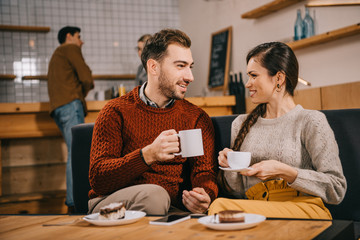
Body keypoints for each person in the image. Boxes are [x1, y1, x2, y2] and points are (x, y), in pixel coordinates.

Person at [209, 42, 346, 219]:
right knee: (220, 208)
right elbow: (237, 191)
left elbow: (336, 188)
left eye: (253, 75)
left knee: (220, 208)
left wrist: (285, 172)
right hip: (256, 207)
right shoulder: (241, 123)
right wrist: (231, 168)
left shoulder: (311, 121)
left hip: (303, 209)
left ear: (279, 78)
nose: (247, 83)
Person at [88, 29, 218, 215]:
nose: (190, 77)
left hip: (168, 209)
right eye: (180, 66)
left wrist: (204, 194)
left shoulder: (195, 117)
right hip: (110, 203)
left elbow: (203, 172)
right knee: (155, 196)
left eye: (190, 67)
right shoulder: (116, 111)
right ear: (153, 67)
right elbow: (99, 179)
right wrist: (148, 155)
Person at [47, 26, 94, 213]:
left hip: (58, 108)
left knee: (74, 153)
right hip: (70, 105)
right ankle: (75, 203)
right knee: (77, 155)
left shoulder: (57, 55)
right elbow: (86, 77)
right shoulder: (69, 49)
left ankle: (74, 202)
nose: (81, 41)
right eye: (79, 37)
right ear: (69, 36)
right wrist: (83, 91)